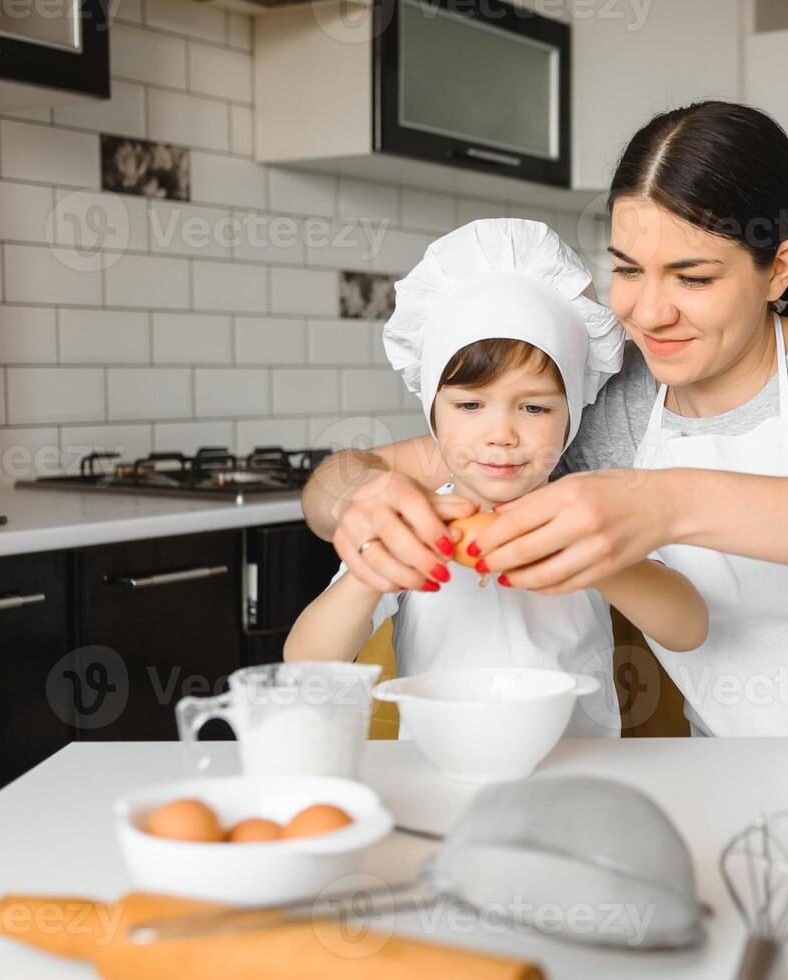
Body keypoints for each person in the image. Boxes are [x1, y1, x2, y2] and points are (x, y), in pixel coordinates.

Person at [301, 102, 788, 736]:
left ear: (779, 269)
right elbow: (365, 473)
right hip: (748, 781)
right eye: (627, 269)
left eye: (692, 277)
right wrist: (358, 504)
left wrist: (668, 505)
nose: (648, 311)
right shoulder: (608, 404)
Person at [285, 219, 708, 737]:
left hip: (576, 776)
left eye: (533, 407)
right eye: (469, 405)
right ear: (432, 414)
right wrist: (374, 571)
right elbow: (307, 667)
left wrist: (595, 558)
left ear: (572, 415)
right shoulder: (416, 522)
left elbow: (688, 628)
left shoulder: (588, 515)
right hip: (440, 776)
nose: (501, 434)